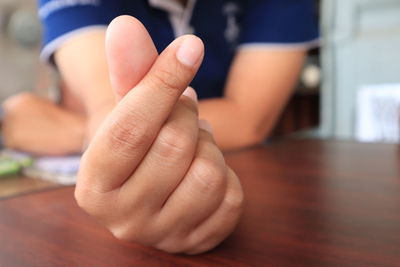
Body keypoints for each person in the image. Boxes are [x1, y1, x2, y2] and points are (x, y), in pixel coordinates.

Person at [2, 0, 318, 254]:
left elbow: (248, 121)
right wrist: (108, 127)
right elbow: (110, 106)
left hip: (247, 187)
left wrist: (73, 132)